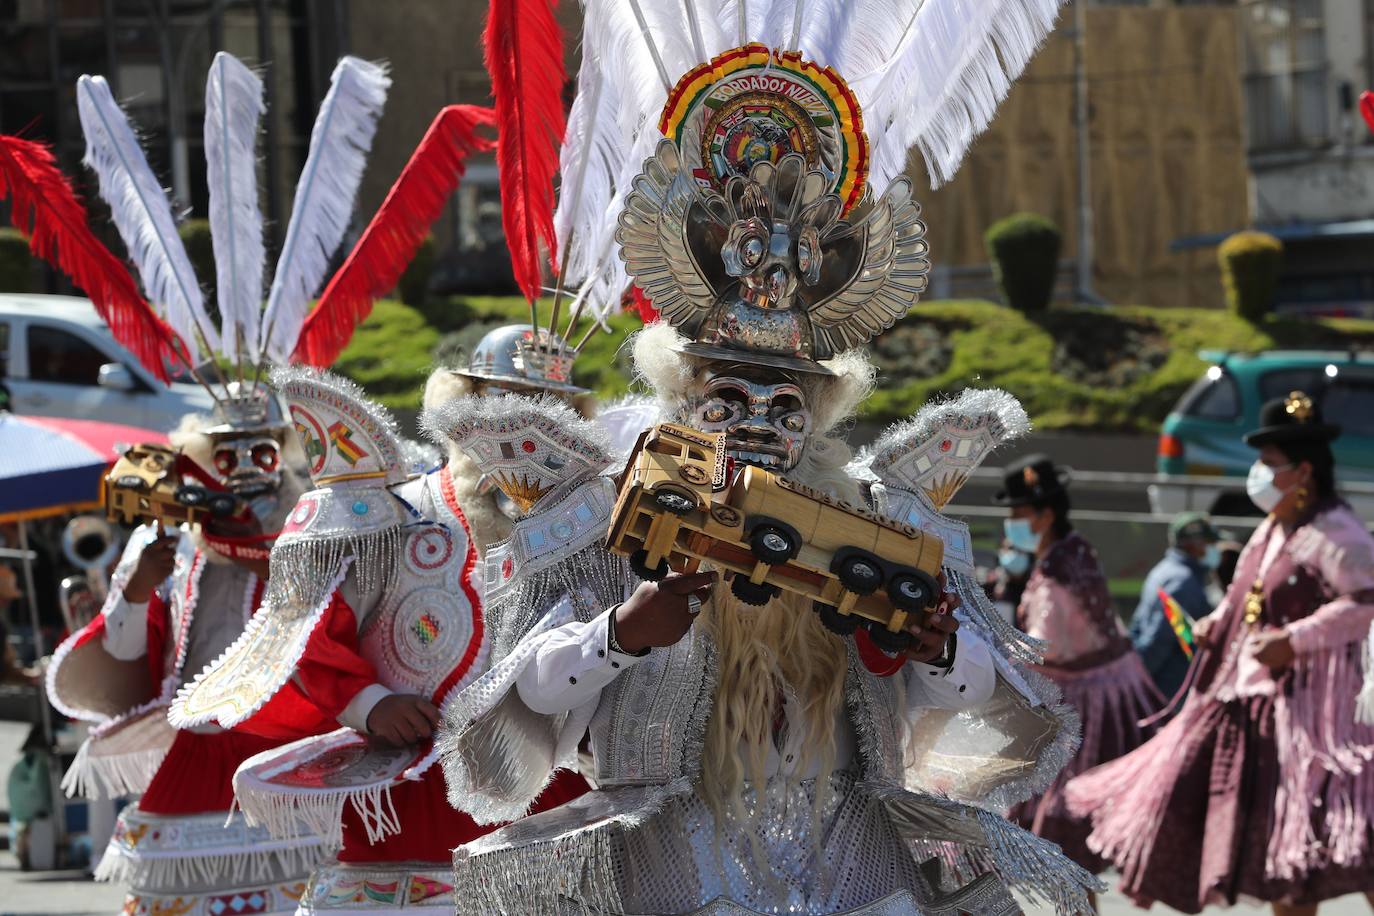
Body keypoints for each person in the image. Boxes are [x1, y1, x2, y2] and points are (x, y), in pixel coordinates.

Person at [431, 4, 1100, 904]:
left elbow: (992, 713)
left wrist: (937, 649)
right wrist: (624, 634)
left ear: (821, 412)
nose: (755, 420)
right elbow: (516, 711)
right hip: (675, 858)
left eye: (785, 401)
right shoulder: (605, 512)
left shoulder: (879, 515)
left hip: (848, 858)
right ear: (682, 399)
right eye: (726, 397)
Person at [43, 50, 396, 913]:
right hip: (198, 752)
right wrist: (136, 591)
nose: (245, 472)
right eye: (228, 456)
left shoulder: (320, 532)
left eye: (262, 453)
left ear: (288, 454)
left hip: (300, 755)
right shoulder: (173, 545)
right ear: (199, 459)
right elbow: (130, 658)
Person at [1068, 391, 1374, 915]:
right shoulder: (1275, 529)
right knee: (1285, 866)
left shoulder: (1336, 532)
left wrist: (1294, 640)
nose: (1256, 473)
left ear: (1302, 471)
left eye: (1268, 463)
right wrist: (1216, 624)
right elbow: (1244, 594)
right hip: (1262, 713)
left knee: (1342, 851)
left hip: (1320, 729)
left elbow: (1364, 602)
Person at [996, 453, 1164, 877]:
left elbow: (1042, 645)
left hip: (1083, 703)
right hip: (1117, 686)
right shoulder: (1076, 549)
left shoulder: (1055, 570)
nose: (1012, 521)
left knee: (1063, 823)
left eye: (1019, 512)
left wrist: (995, 650)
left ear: (1045, 515)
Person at [1129, 511, 1221, 697]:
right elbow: (1159, 640)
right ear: (1194, 545)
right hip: (1169, 687)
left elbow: (1138, 625)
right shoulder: (1182, 583)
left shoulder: (1164, 570)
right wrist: (1139, 684)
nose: (1214, 549)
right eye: (1210, 544)